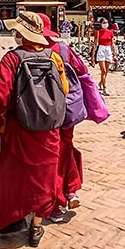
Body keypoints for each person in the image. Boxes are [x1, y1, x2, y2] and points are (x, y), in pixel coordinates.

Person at [0, 11, 70, 248]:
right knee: (44, 176)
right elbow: (65, 89)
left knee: (15, 174)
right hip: (48, 129)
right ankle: (37, 224)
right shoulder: (54, 57)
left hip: (18, 127)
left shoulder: (12, 59)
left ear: (21, 34)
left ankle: (14, 218)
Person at [37, 13, 86, 223]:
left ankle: (55, 204)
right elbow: (82, 71)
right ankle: (71, 189)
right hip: (66, 110)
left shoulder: (28, 51)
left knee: (50, 157)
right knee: (66, 148)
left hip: (41, 112)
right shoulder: (64, 48)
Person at [91, 17, 117, 95]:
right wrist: (92, 56)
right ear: (101, 24)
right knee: (103, 70)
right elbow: (95, 44)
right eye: (104, 23)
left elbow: (112, 44)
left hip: (108, 49)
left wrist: (115, 54)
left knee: (106, 71)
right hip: (101, 49)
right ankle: (105, 87)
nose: (105, 24)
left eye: (106, 22)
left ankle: (101, 82)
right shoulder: (98, 32)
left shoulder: (110, 32)